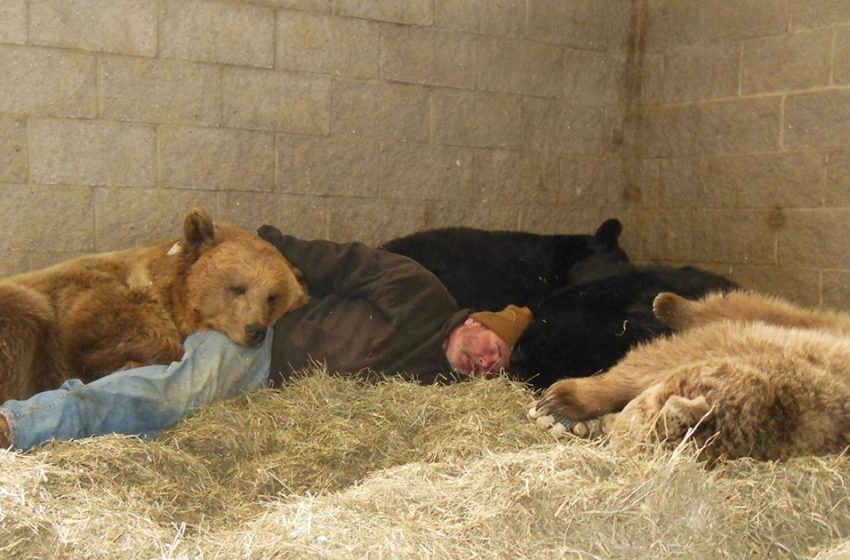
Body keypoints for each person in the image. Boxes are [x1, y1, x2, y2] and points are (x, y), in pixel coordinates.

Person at [0, 225, 532, 451]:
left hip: (278, 405)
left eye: (498, 365)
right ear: (474, 323)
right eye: (495, 347)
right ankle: (21, 425)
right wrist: (266, 244)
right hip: (258, 350)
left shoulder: (441, 387)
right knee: (171, 396)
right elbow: (339, 262)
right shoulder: (420, 293)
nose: (490, 362)